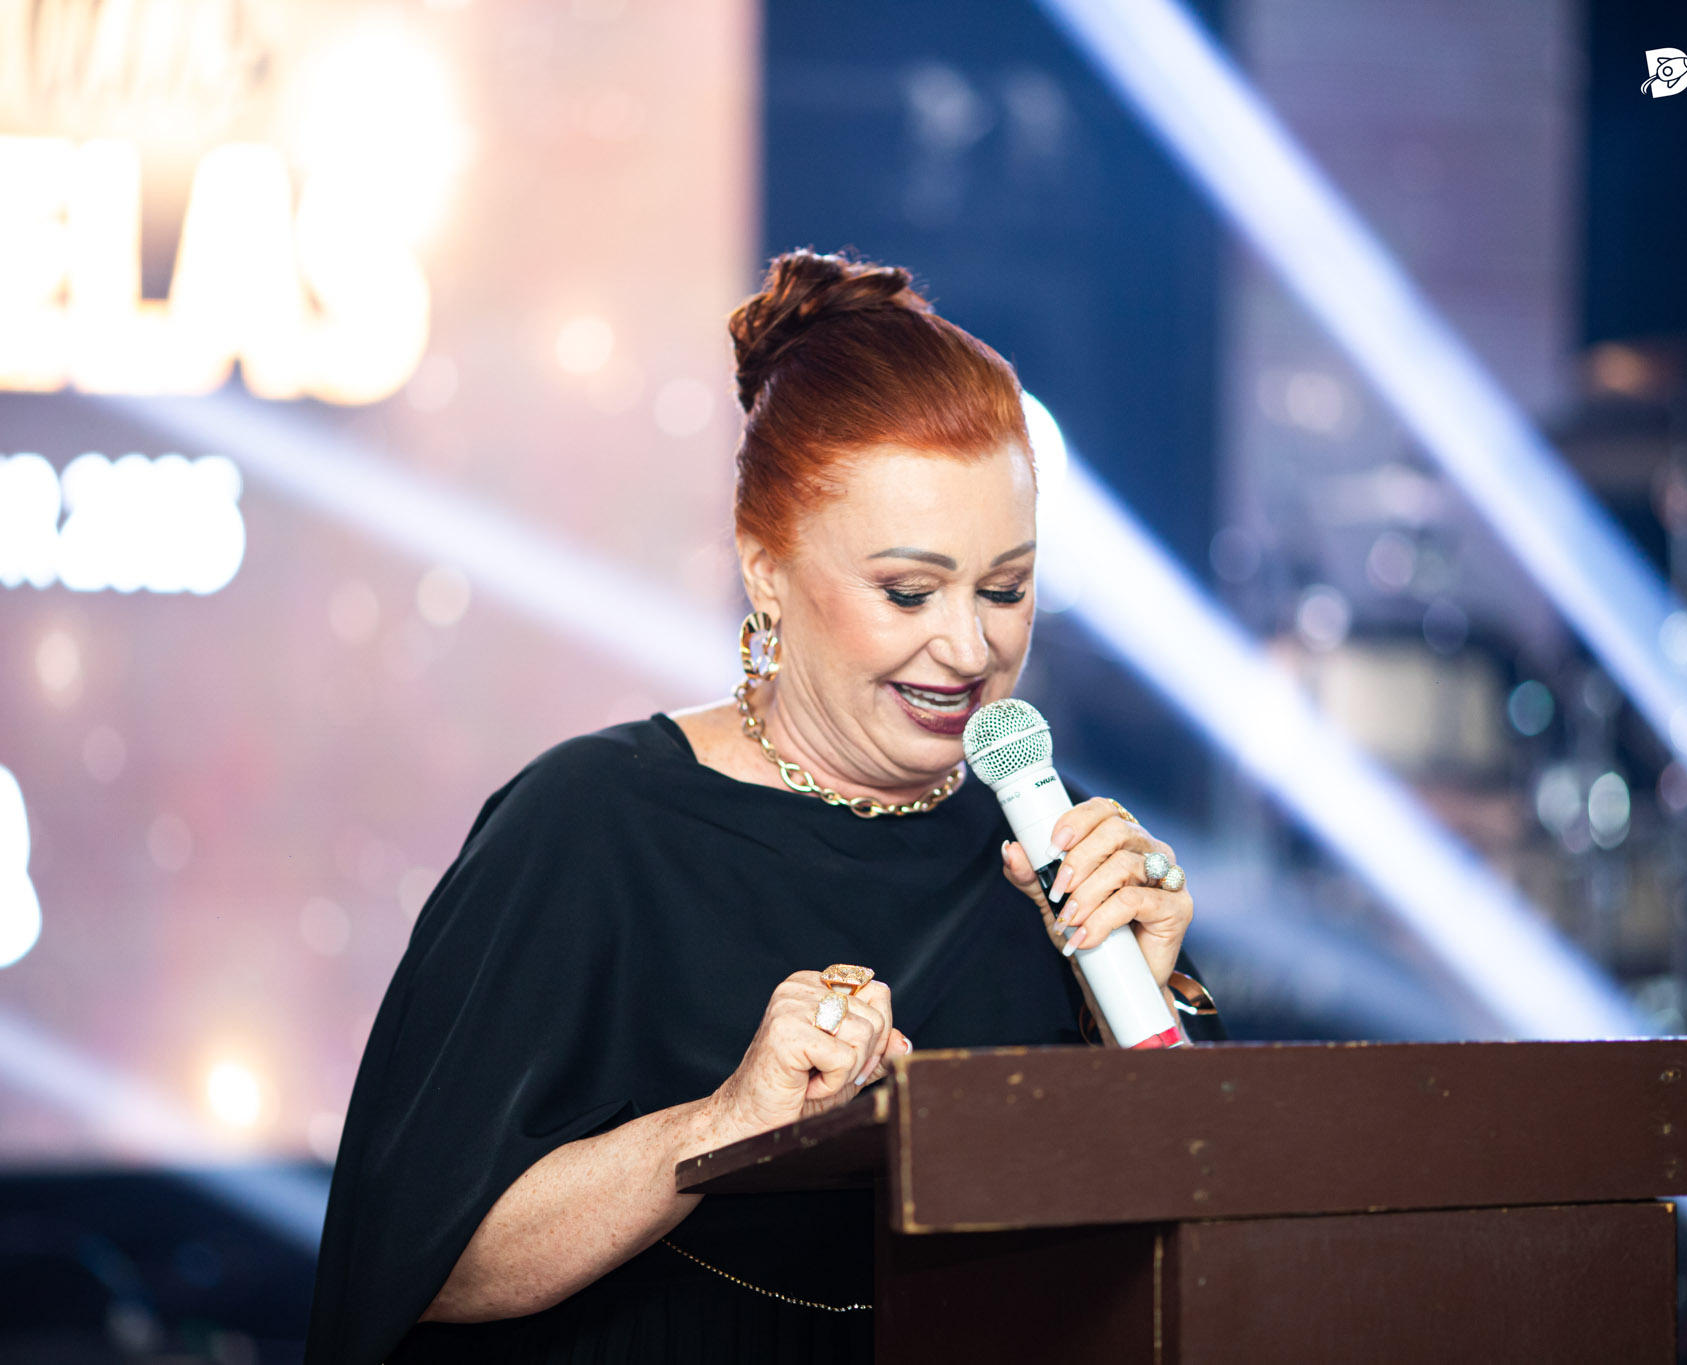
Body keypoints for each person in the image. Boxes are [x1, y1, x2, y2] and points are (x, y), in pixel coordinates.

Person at [305, 250, 1222, 1365]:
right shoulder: (592, 824)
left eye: (1004, 588)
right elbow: (414, 1269)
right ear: (767, 570)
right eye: (908, 592)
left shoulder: (1056, 843)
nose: (969, 646)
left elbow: (1197, 1254)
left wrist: (1145, 1011)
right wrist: (724, 1125)